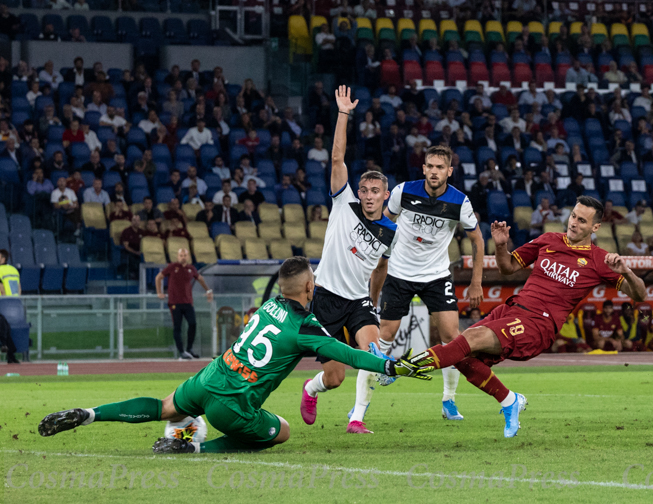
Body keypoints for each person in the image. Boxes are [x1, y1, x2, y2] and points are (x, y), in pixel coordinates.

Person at [37, 257, 432, 453]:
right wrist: (390, 363)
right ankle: (192, 447)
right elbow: (349, 355)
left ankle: (90, 414)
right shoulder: (307, 328)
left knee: (165, 407)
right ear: (310, 285)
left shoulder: (267, 307)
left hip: (210, 376)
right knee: (284, 430)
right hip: (233, 404)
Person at [407, 197, 646, 437]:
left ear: (595, 228)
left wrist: (627, 272)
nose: (573, 223)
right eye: (573, 215)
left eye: (582, 220)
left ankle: (398, 369)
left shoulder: (599, 260)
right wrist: (501, 245)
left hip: (539, 324)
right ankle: (509, 400)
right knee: (460, 354)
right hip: (513, 310)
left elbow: (640, 294)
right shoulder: (549, 240)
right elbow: (507, 267)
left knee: (468, 340)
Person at [300, 87, 398, 434]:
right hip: (326, 298)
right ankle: (310, 388)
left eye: (375, 192)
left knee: (372, 350)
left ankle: (356, 419)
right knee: (335, 377)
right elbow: (338, 159)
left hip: (358, 302)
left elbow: (382, 266)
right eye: (365, 190)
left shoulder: (390, 231)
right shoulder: (344, 203)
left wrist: (373, 299)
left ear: (385, 196)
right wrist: (343, 114)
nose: (369, 196)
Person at [378, 145, 485, 421]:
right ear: (423, 168)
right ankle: (370, 390)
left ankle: (448, 401)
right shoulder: (404, 191)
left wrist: (476, 282)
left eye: (440, 167)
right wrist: (377, 258)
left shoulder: (459, 202)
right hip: (400, 272)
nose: (434, 171)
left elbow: (477, 240)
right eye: (430, 166)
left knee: (452, 338)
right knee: (385, 335)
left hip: (436, 275)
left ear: (449, 171)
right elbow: (383, 224)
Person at [155, 248, 214, 360]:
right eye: (181, 255)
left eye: (185, 255)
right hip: (175, 302)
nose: (183, 257)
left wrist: (208, 290)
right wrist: (159, 292)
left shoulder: (191, 269)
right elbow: (159, 277)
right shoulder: (172, 267)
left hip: (187, 302)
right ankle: (181, 351)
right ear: (177, 257)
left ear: (188, 257)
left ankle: (189, 349)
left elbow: (200, 279)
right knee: (177, 327)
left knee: (193, 324)